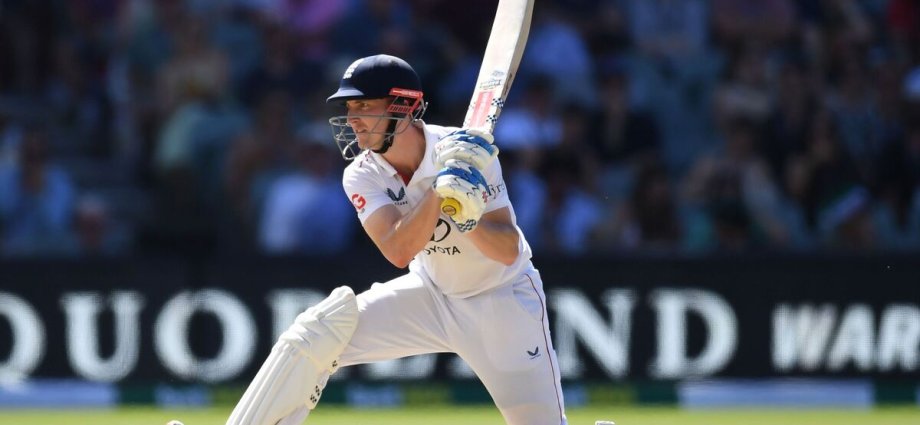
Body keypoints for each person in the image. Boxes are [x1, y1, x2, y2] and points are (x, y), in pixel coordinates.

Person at [226, 54, 567, 425]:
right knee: (317, 334)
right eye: (349, 107)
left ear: (403, 107)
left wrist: (470, 222)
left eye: (364, 106)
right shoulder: (361, 175)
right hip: (431, 296)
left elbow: (508, 251)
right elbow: (399, 250)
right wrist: (440, 191)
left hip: (503, 300)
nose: (352, 118)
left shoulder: (467, 153)